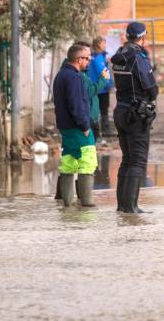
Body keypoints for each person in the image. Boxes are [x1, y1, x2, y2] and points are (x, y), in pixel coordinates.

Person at [111, 22, 158, 214]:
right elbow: (150, 88)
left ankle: (123, 206)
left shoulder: (119, 56)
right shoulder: (138, 57)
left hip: (121, 110)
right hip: (136, 113)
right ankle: (131, 207)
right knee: (137, 161)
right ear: (142, 37)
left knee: (127, 159)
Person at [52, 44, 98, 207]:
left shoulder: (60, 75)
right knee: (88, 161)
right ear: (78, 60)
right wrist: (85, 126)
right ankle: (86, 202)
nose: (89, 61)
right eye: (87, 58)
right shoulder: (74, 77)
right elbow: (76, 104)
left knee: (69, 162)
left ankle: (68, 203)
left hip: (65, 128)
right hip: (78, 128)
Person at [88, 36, 114, 138]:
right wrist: (109, 84)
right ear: (98, 44)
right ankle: (104, 130)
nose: (105, 45)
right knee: (103, 109)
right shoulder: (98, 57)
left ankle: (97, 131)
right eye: (103, 43)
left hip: (96, 87)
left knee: (96, 109)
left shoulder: (94, 56)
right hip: (101, 88)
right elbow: (103, 72)